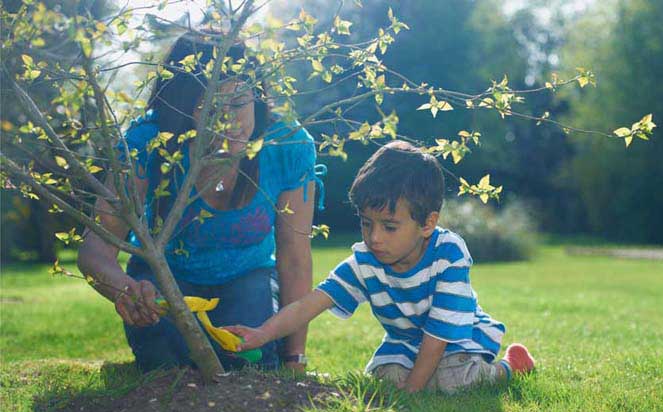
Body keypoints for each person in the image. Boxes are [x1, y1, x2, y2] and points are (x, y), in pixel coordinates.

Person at [77, 31, 324, 372]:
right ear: (180, 110)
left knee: (250, 363)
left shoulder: (288, 145)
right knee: (166, 366)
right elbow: (94, 251)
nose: (230, 122)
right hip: (166, 278)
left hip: (247, 275)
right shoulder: (147, 143)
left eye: (239, 102)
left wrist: (294, 359)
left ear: (257, 96)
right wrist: (127, 290)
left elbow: (295, 259)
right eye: (211, 108)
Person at [225, 141, 534, 393]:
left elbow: (439, 335)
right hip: (405, 344)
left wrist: (412, 391)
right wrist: (261, 334)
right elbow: (311, 304)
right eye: (365, 223)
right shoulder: (366, 261)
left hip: (455, 341)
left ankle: (509, 366)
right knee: (384, 380)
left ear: (427, 223)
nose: (374, 238)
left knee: (449, 380)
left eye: (389, 226)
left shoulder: (448, 254)